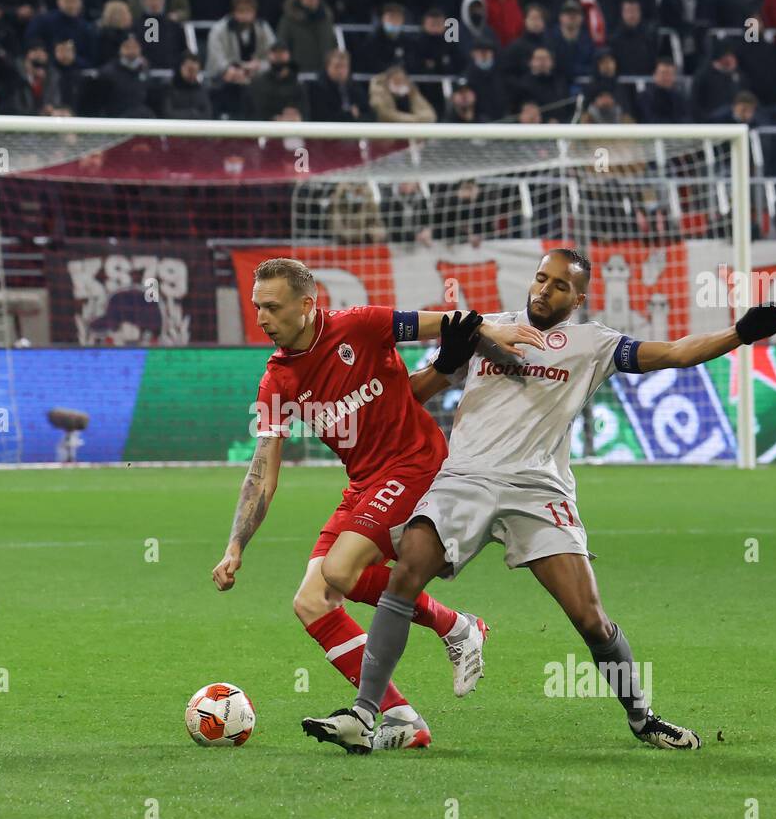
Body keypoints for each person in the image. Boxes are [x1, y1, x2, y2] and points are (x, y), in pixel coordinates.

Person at [301, 248, 776, 754]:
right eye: (540, 278)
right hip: (463, 479)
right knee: (405, 577)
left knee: (590, 616)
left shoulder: (594, 343)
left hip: (538, 490)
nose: (545, 290)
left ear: (578, 298)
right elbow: (412, 398)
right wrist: (450, 358)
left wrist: (740, 334)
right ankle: (366, 712)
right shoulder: (486, 329)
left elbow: (673, 353)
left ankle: (642, 717)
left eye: (560, 285)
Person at [213, 258, 545, 749]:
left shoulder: (362, 326)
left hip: (415, 462)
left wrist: (497, 328)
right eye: (257, 307)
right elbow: (262, 472)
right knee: (310, 601)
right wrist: (236, 545)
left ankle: (451, 627)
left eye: (273, 307)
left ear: (307, 305)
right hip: (366, 483)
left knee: (342, 571)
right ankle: (403, 716)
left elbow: (446, 322)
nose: (263, 318)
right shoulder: (277, 383)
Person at [274, 0, 335, 76]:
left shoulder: (326, 21)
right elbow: (281, 47)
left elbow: (332, 46)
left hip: (323, 77)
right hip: (296, 76)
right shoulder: (288, 21)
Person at [306, 48, 368, 123]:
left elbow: (368, 112)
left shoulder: (354, 86)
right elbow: (322, 117)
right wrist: (349, 115)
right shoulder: (317, 88)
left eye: (344, 66)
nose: (340, 71)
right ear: (327, 67)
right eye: (337, 66)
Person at [369, 63, 435, 124]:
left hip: (410, 130)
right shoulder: (379, 92)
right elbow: (385, 115)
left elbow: (430, 115)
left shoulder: (412, 91)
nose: (399, 84)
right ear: (387, 81)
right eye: (396, 81)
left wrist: (413, 95)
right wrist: (414, 119)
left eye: (401, 80)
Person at [160, 50, 211, 119]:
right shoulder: (169, 89)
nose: (192, 74)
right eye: (190, 69)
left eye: (195, 71)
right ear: (180, 68)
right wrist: (192, 113)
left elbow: (207, 114)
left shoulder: (201, 90)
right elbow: (167, 114)